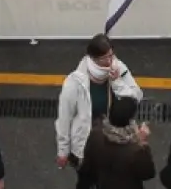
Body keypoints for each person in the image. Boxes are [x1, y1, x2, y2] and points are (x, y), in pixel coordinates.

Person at [55, 34, 143, 178]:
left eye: (111, 56)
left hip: (115, 141)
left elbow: (136, 97)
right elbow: (65, 117)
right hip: (87, 145)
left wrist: (117, 83)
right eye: (104, 58)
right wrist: (63, 151)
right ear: (93, 58)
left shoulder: (119, 69)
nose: (110, 61)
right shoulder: (74, 82)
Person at [84, 95, 157, 189]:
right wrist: (143, 142)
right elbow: (148, 174)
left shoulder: (95, 135)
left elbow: (88, 166)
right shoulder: (136, 151)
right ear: (130, 121)